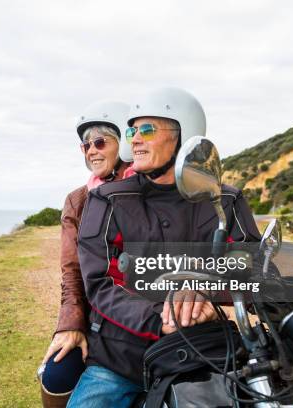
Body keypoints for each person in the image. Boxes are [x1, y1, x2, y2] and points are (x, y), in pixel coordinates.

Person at [67, 87, 262, 407]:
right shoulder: (108, 199)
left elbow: (248, 260)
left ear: (184, 134)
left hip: (203, 349)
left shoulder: (224, 199)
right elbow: (99, 282)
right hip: (121, 358)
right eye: (131, 130)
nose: (135, 139)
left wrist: (204, 286)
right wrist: (159, 316)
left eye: (146, 129)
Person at [38, 100, 133, 408]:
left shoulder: (150, 189)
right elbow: (72, 269)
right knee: (55, 373)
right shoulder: (78, 200)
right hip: (99, 316)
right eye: (85, 145)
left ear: (125, 143)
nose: (92, 150)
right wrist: (70, 324)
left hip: (149, 314)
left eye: (101, 142)